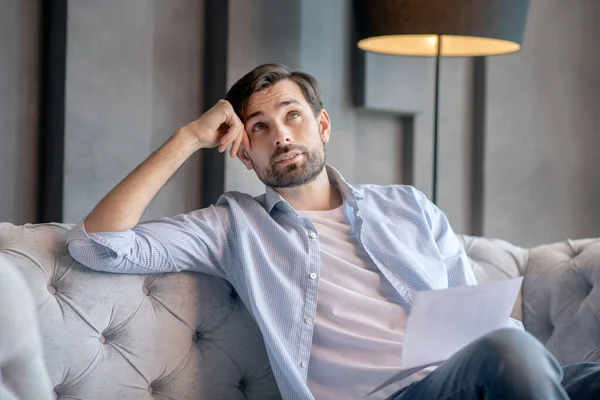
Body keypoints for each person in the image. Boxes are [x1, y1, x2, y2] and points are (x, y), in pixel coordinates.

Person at [67, 63, 600, 400]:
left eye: (292, 116)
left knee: (529, 358)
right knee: (513, 358)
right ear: (244, 154)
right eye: (260, 128)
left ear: (322, 126)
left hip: (480, 377)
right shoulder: (233, 227)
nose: (280, 136)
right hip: (399, 395)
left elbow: (480, 314)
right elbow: (98, 243)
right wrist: (187, 137)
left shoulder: (407, 206)